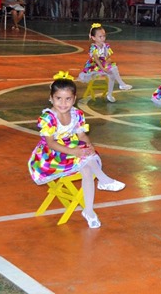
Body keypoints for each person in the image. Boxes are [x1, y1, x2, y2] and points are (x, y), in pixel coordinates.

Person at [28, 71, 126, 229]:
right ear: (51, 98)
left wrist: (89, 146)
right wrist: (75, 152)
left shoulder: (76, 114)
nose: (63, 103)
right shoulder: (49, 118)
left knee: (87, 168)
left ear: (74, 99)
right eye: (58, 98)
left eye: (68, 99)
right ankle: (103, 180)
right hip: (51, 156)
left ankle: (89, 211)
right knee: (86, 160)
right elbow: (51, 143)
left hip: (72, 148)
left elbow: (81, 136)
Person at [77, 23, 132, 101]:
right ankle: (121, 85)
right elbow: (96, 59)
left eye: (104, 36)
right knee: (113, 70)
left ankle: (110, 94)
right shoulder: (93, 47)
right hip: (95, 66)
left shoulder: (106, 46)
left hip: (103, 64)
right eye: (100, 36)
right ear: (93, 37)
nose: (103, 38)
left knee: (113, 72)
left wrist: (106, 63)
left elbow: (109, 58)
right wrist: (103, 68)